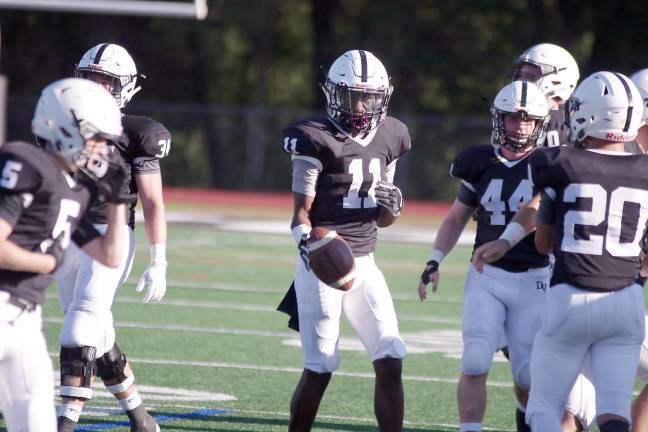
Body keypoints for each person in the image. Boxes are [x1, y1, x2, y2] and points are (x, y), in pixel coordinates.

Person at [488, 71, 646, 432]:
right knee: (614, 412)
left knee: (544, 409)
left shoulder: (558, 161)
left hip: (570, 295)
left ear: (587, 114)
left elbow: (543, 243)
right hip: (626, 300)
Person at [281, 49, 410, 432]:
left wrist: (394, 208)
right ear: (335, 94)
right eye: (354, 95)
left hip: (365, 260)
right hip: (322, 261)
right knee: (321, 365)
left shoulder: (393, 134)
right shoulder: (314, 138)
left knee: (390, 357)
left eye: (370, 96)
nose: (362, 104)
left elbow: (384, 219)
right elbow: (300, 215)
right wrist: (308, 245)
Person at [418, 81, 551, 432]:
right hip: (486, 274)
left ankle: (532, 422)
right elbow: (456, 217)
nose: (519, 126)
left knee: (529, 373)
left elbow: (537, 213)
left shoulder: (548, 163)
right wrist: (434, 259)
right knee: (475, 359)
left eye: (527, 120)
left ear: (540, 123)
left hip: (535, 277)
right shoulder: (478, 161)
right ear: (499, 119)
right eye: (512, 118)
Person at [0, 77, 128, 432]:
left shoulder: (75, 189)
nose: (104, 149)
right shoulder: (26, 163)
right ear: (66, 128)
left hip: (26, 323)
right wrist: (47, 263)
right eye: (98, 137)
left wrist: (118, 202)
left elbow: (111, 256)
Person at [55, 43, 171, 432]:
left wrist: (159, 260)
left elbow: (153, 201)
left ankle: (64, 424)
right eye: (90, 79)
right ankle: (140, 418)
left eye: (106, 82)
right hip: (67, 236)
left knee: (79, 326)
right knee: (95, 335)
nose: (95, 89)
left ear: (125, 88)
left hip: (111, 234)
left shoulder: (138, 133)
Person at [555, 68, 648, 432]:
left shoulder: (584, 153)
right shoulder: (633, 165)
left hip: (567, 296)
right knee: (592, 410)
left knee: (569, 411)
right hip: (612, 299)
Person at [500, 42, 580, 432]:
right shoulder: (521, 115)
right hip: (521, 257)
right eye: (522, 71)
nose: (521, 80)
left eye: (531, 74)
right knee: (521, 359)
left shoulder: (577, 125)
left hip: (566, 255)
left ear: (558, 82)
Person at [513, 42, 579, 147]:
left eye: (530, 76)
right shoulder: (513, 114)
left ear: (557, 82)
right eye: (520, 75)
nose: (521, 81)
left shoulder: (566, 126)